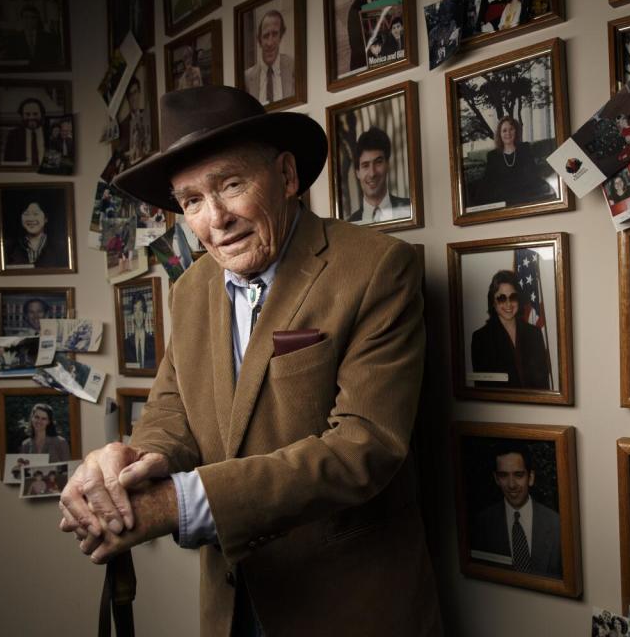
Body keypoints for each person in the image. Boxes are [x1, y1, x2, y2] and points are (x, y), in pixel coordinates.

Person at [58, 85, 441, 635]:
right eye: (191, 201)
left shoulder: (379, 268)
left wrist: (175, 505)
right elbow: (175, 414)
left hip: (348, 607)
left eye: (231, 185)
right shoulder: (190, 290)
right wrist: (129, 465)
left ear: (286, 176)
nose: (216, 219)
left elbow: (365, 446)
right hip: (231, 604)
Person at [469, 444, 562, 578]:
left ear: (530, 478)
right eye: (504, 475)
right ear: (496, 479)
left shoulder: (556, 523)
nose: (511, 485)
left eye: (518, 475)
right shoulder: (482, 523)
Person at [471, 269, 550, 389]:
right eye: (502, 298)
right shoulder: (481, 339)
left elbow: (543, 382)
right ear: (493, 301)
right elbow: (483, 388)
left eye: (513, 297)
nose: (508, 304)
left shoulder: (534, 333)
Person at [479, 116, 554, 207]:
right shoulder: (493, 155)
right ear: (499, 134)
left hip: (524, 195)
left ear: (516, 131)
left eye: (511, 129)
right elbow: (489, 181)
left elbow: (532, 173)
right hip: (502, 197)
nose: (508, 133)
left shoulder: (524, 149)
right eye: (504, 130)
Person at [347, 126, 411, 224]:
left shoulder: (410, 209)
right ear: (357, 173)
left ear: (388, 165)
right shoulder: (349, 225)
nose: (372, 173)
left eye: (378, 162)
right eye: (365, 165)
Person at [243, 10, 295, 106]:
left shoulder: (294, 67)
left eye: (275, 34)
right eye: (266, 36)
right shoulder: (247, 78)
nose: (270, 43)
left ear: (280, 36)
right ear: (259, 40)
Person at [4, 202, 69, 269]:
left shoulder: (61, 247)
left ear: (46, 218)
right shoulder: (9, 247)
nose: (31, 219)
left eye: (36, 214)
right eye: (26, 214)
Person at [0, 5, 61, 69]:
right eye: (26, 17)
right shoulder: (13, 39)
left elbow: (53, 60)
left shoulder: (49, 38)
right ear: (21, 19)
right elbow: (11, 60)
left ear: (37, 19)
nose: (29, 20)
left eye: (33, 17)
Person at [2, 98, 46, 166]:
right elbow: (8, 162)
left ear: (42, 114)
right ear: (22, 115)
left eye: (35, 114)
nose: (31, 117)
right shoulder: (13, 135)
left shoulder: (50, 133)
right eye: (27, 114)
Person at [119, 77, 151, 164]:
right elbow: (122, 153)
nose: (133, 98)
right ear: (127, 98)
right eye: (130, 94)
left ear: (139, 92)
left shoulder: (148, 115)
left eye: (135, 92)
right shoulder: (123, 125)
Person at [123, 293, 155, 368]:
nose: (137, 314)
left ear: (144, 314)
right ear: (132, 316)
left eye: (140, 310)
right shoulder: (126, 344)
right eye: (135, 310)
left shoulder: (154, 342)